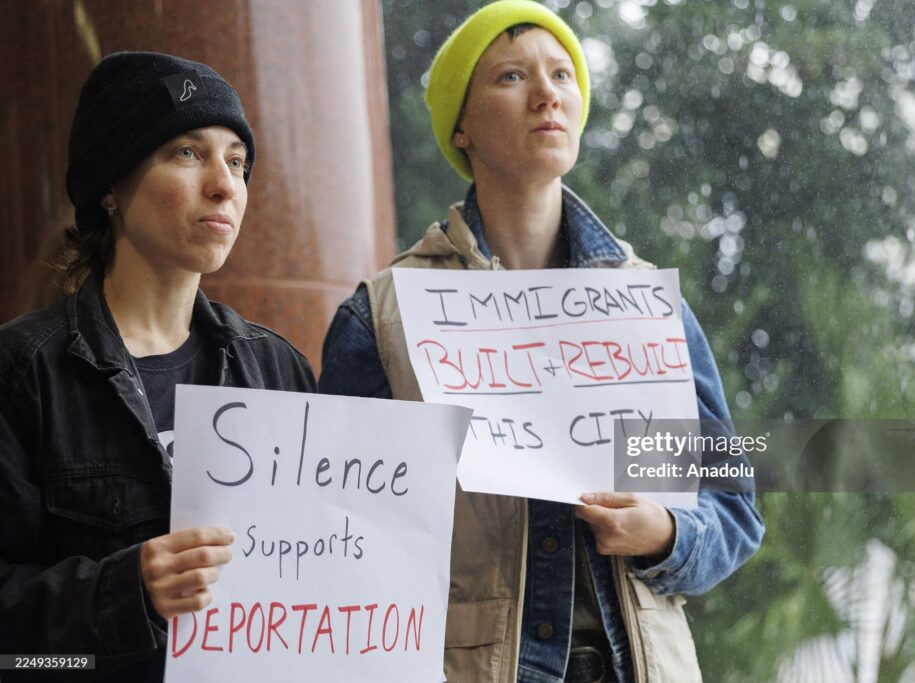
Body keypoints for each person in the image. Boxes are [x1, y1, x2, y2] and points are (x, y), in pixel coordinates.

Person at [320, 2, 764, 681]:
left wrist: (667, 533)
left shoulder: (648, 306)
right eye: (510, 77)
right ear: (460, 126)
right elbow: (350, 540)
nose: (547, 92)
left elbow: (731, 505)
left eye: (562, 74)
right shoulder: (384, 317)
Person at [0, 52, 315, 679]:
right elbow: (16, 656)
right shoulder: (24, 370)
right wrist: (127, 590)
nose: (225, 184)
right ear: (110, 189)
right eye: (187, 153)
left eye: (237, 161)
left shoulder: (279, 369)